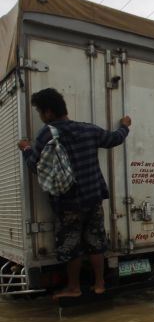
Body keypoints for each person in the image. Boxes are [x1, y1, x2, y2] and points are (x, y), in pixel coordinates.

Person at [18, 88, 131, 299]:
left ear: (49, 113)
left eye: (41, 112)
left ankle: (74, 288)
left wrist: (25, 148)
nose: (41, 117)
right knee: (96, 243)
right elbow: (114, 139)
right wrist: (124, 126)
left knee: (72, 247)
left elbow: (35, 165)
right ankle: (99, 285)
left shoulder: (47, 132)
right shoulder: (88, 130)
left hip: (67, 202)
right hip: (93, 197)